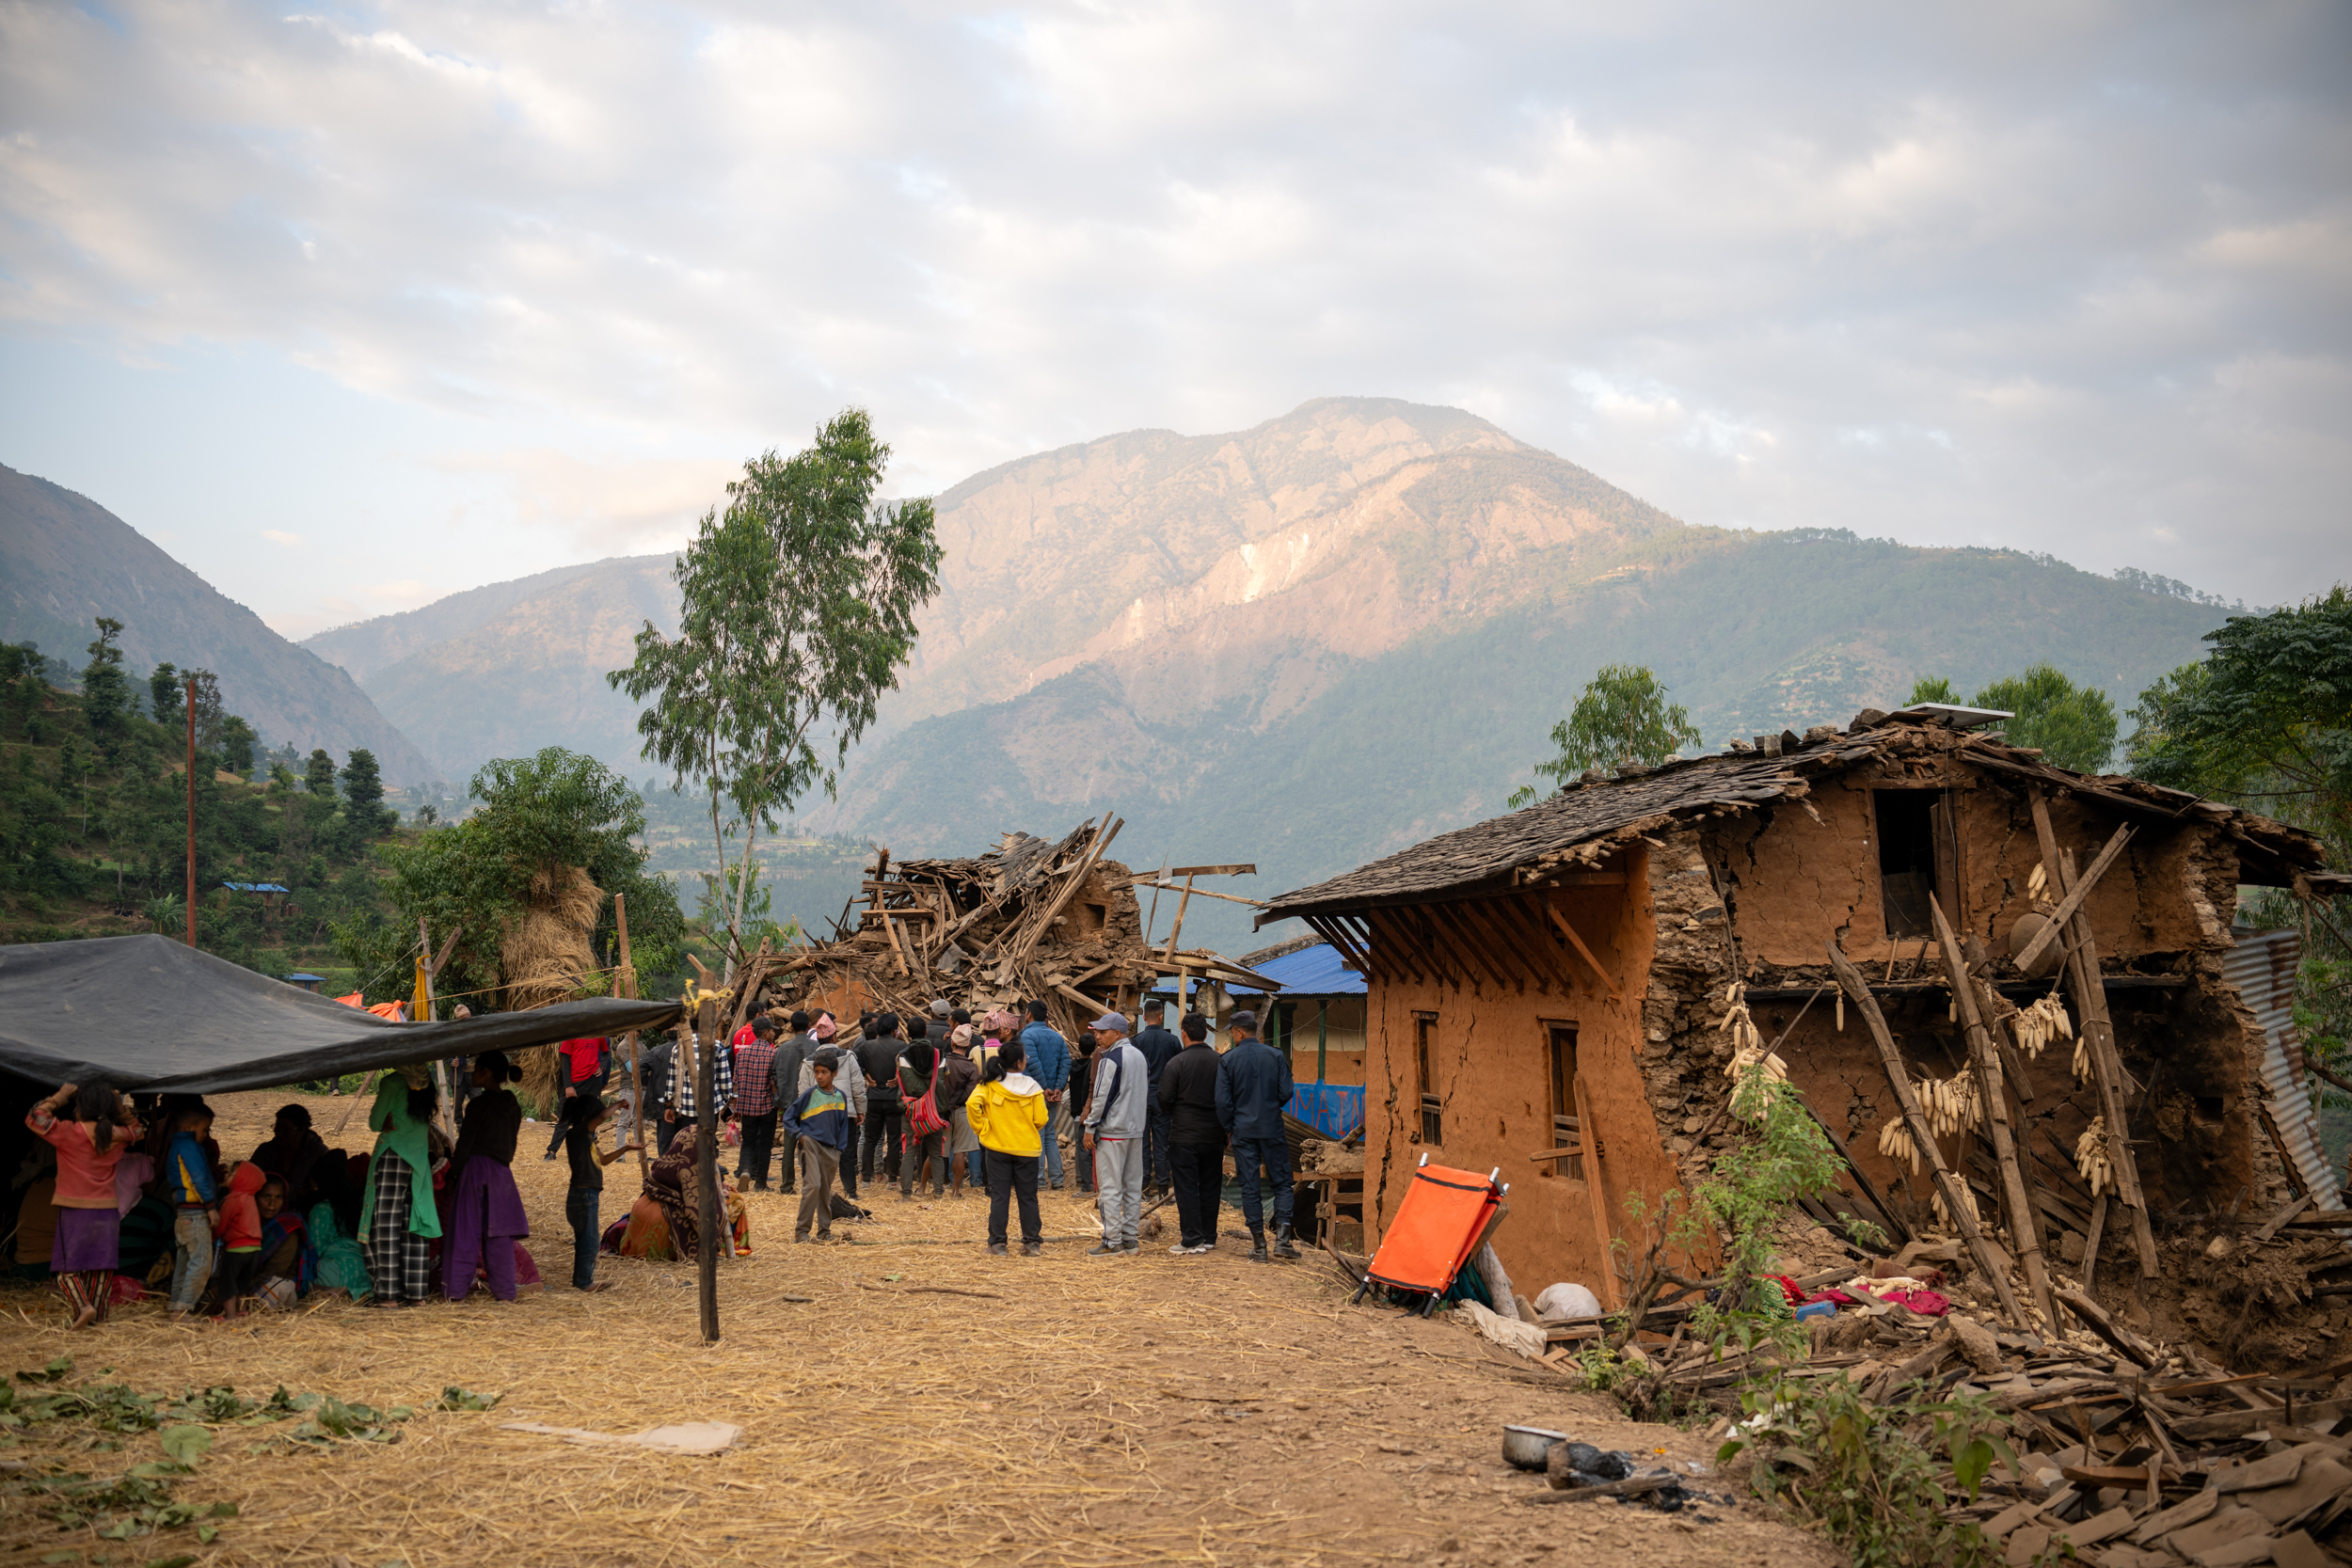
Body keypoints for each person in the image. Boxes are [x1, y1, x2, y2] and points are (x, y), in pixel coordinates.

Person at [25, 1082, 141, 1329]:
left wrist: (60, 1096)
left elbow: (35, 1118)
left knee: (67, 1270)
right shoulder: (116, 1134)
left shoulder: (69, 1132)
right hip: (108, 1211)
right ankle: (98, 1318)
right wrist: (120, 1107)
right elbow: (138, 1130)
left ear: (80, 1108)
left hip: (75, 1211)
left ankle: (83, 1307)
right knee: (101, 1267)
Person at [443, 1052, 530, 1302]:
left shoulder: (478, 1106)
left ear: (487, 1072)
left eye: (477, 1069)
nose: (473, 1075)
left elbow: (465, 1146)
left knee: (465, 1232)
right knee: (500, 1237)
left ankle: (455, 1292)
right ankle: (505, 1292)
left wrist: (453, 1177)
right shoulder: (513, 1105)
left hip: (475, 1171)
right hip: (502, 1174)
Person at [1216, 1009, 1300, 1261]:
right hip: (1272, 1127)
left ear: (1240, 1032)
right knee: (1283, 1183)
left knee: (1250, 1186)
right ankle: (1283, 1241)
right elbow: (1286, 1092)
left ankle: (1259, 1245)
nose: (1232, 1036)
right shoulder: (1275, 1055)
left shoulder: (1228, 1060)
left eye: (1232, 1031)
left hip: (1243, 1132)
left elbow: (1222, 1102)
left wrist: (1228, 1128)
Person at [360, 1067, 442, 1307]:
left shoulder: (393, 1082)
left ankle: (387, 1296)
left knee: (385, 1227)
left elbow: (375, 1122)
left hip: (392, 1157)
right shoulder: (428, 1081)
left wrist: (387, 1118)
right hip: (418, 1160)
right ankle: (417, 1295)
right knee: (415, 1224)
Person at [968, 1037, 1048, 1257]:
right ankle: (1032, 1244)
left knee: (1000, 1196)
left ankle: (997, 1245)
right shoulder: (1033, 1087)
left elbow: (972, 1104)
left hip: (997, 1148)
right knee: (1028, 1197)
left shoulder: (989, 1085)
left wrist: (983, 1128)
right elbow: (1041, 1119)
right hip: (1027, 1149)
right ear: (1021, 1063)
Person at [1080, 1012, 1149, 1258]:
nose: (1097, 1036)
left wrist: (1090, 1126)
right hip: (1135, 1130)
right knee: (1132, 1186)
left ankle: (1112, 1241)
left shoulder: (1112, 1058)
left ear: (1117, 1034)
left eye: (1102, 1032)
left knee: (1110, 1187)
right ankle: (1130, 1238)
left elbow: (1101, 1097)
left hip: (1112, 1130)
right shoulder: (1139, 1056)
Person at [1158, 1012, 1226, 1255]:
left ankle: (1192, 1239)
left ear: (1183, 1033)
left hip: (1184, 1134)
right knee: (1211, 1185)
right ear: (1206, 1033)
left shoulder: (1176, 1063)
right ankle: (1209, 1237)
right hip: (1213, 1134)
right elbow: (1228, 1100)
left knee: (1186, 1187)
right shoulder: (1220, 1061)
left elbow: (1164, 1099)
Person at [561, 1091, 639, 1291]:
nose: (600, 1122)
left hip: (587, 1194)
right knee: (590, 1240)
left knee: (586, 1239)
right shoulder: (576, 1133)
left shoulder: (586, 1138)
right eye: (596, 1118)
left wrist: (626, 1148)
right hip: (583, 1194)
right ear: (587, 1118)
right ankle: (585, 1282)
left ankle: (581, 1280)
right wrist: (620, 1103)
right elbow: (603, 1116)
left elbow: (603, 1160)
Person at [784, 1049, 855, 1243]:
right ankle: (801, 1232)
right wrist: (800, 1136)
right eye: (816, 1072)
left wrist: (839, 1150)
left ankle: (824, 1232)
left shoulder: (840, 1097)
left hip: (831, 1151)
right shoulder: (809, 1094)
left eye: (824, 1072)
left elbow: (843, 1126)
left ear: (834, 1074)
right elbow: (788, 1117)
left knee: (825, 1192)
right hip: (811, 1146)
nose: (819, 1076)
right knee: (812, 1187)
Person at [794, 1017, 865, 1198]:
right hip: (845, 1112)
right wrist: (860, 1109)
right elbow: (858, 1085)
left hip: (819, 1114)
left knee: (819, 1151)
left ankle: (818, 1189)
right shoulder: (848, 1057)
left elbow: (803, 1092)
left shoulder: (808, 1062)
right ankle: (851, 1191)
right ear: (834, 1037)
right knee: (847, 1152)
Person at [159, 1103, 219, 1317]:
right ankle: (183, 1310)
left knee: (184, 1263)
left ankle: (175, 1305)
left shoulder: (174, 1147)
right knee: (201, 1263)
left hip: (183, 1214)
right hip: (196, 1214)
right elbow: (198, 1178)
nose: (206, 1135)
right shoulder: (190, 1148)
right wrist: (211, 1207)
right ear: (189, 1126)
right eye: (205, 1129)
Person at [1018, 1001, 1073, 1191]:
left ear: (1029, 1014)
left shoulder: (1027, 1035)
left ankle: (1039, 1180)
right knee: (1050, 1134)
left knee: (1037, 1135)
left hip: (1035, 1093)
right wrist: (1058, 1088)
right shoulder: (1057, 1037)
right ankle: (1057, 1180)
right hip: (1053, 1094)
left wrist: (1044, 1088)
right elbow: (1066, 1063)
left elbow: (1032, 1064)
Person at [1132, 999, 1182, 1198]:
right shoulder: (1172, 1041)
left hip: (1141, 1097)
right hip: (1163, 1098)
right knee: (1162, 1145)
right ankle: (1162, 1190)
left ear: (1144, 1017)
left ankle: (1143, 1188)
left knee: (1142, 1144)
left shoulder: (1136, 1041)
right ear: (1161, 1017)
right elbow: (1178, 1070)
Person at [665, 1023, 736, 1161]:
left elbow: (672, 1080)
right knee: (708, 1143)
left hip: (687, 1106)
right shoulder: (717, 1046)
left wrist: (669, 1105)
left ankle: (692, 1175)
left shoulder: (679, 1048)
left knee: (690, 1144)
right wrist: (727, 1102)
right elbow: (725, 1079)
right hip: (710, 1106)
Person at [247, 1176, 316, 1309]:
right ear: (255, 1197)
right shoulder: (247, 1222)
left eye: (278, 1197)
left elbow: (275, 1272)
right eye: (266, 1196)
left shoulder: (287, 1228)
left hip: (274, 1283)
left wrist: (240, 1290)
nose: (272, 1203)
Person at [855, 1014, 907, 1188]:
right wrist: (898, 1079)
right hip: (893, 1098)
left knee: (870, 1138)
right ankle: (892, 1179)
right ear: (894, 1030)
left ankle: (866, 1180)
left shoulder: (867, 1046)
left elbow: (856, 1065)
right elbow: (908, 1071)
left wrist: (866, 1075)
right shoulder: (901, 1046)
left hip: (874, 1097)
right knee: (893, 1140)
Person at [731, 1017, 782, 1191]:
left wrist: (737, 1106)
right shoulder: (772, 1054)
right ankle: (760, 1183)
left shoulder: (743, 1053)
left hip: (747, 1108)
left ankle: (745, 1170)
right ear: (766, 1033)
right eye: (772, 1031)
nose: (774, 1033)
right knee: (766, 1145)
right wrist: (777, 1104)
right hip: (767, 1106)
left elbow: (736, 1082)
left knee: (748, 1142)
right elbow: (774, 1083)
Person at [771, 1011, 818, 1196]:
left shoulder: (782, 1049)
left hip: (790, 1104)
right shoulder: (817, 1047)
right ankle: (810, 1184)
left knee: (789, 1148)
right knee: (812, 1147)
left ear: (790, 1027)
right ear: (808, 1027)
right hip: (813, 1104)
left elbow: (775, 1078)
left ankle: (787, 1185)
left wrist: (780, 1105)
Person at [213, 1161, 267, 1314]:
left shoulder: (231, 1199)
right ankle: (242, 1312)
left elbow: (220, 1225)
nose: (227, 1176)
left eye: (231, 1174)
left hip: (236, 1249)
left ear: (242, 1179)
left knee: (228, 1284)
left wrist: (211, 1239)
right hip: (255, 1249)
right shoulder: (251, 1200)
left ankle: (230, 1317)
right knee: (242, 1285)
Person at [250, 1103, 329, 1210]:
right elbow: (249, 1180)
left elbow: (325, 1190)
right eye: (277, 1128)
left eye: (285, 1130)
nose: (279, 1133)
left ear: (301, 1131)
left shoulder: (318, 1154)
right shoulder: (265, 1151)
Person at [897, 1037, 946, 1200]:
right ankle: (938, 1192)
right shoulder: (939, 1055)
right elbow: (943, 1080)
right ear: (925, 1033)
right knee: (936, 1154)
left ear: (909, 1035)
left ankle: (905, 1195)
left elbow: (902, 1081)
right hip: (934, 1111)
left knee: (908, 1152)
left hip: (912, 1110)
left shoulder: (901, 1057)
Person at [544, 1036, 610, 1159]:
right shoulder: (572, 1035)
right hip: (573, 1082)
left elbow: (606, 1053)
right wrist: (568, 1086)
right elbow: (565, 1061)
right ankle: (552, 1152)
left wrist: (602, 1068)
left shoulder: (599, 1034)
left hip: (592, 1081)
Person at [936, 1025, 982, 1201]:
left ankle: (933, 1189)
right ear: (969, 1044)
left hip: (942, 1111)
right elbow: (971, 1092)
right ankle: (956, 1191)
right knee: (960, 1152)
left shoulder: (943, 1062)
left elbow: (937, 1085)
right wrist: (955, 1103)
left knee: (939, 1151)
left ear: (953, 1041)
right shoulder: (971, 1067)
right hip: (963, 1111)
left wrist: (947, 1104)